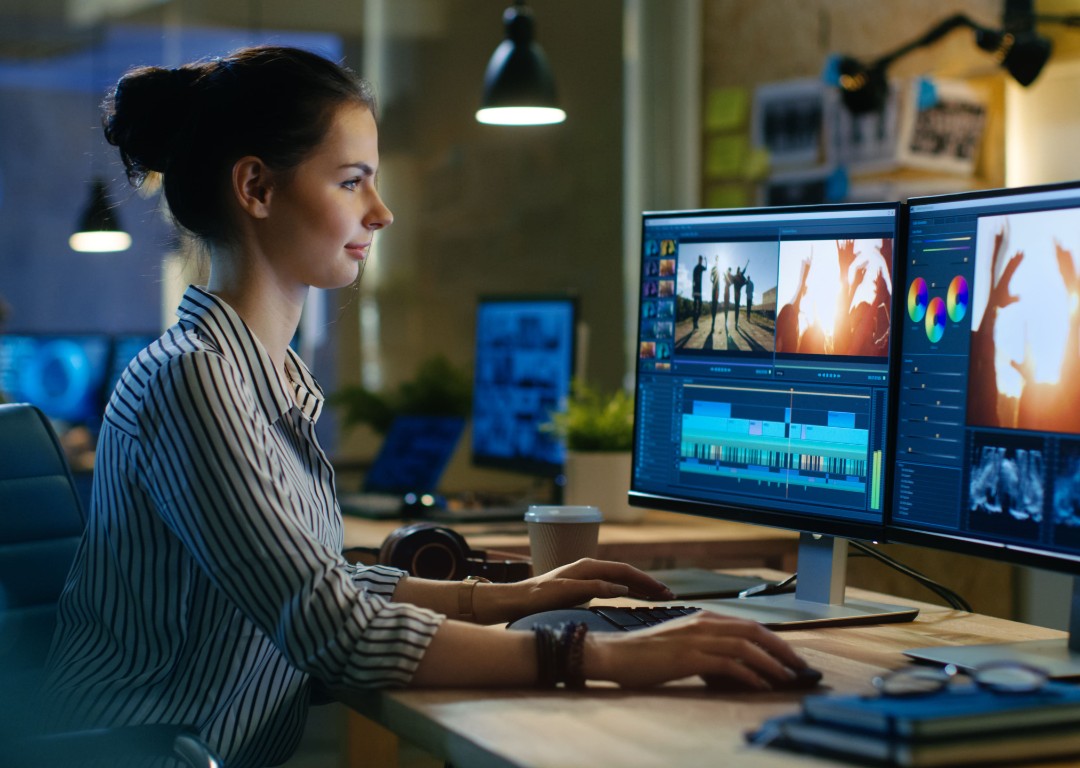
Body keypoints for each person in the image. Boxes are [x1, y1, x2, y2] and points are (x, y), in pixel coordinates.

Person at [41, 46, 807, 768]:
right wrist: (600, 653)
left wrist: (513, 597)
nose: (381, 212)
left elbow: (324, 581)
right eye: (351, 181)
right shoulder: (193, 381)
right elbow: (329, 626)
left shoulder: (254, 378)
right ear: (257, 189)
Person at [691, 255, 706, 329]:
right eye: (700, 259)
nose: (701, 260)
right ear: (698, 259)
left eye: (702, 260)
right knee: (695, 308)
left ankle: (695, 321)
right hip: (695, 290)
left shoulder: (700, 267)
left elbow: (706, 268)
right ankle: (694, 323)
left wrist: (706, 260)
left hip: (700, 291)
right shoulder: (696, 268)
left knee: (699, 308)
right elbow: (693, 280)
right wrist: (692, 291)